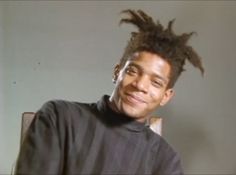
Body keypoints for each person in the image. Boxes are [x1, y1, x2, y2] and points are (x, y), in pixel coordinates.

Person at [15, 9, 204, 175]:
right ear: (117, 72)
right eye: (132, 71)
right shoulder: (59, 117)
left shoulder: (166, 161)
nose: (140, 85)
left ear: (166, 96)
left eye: (155, 82)